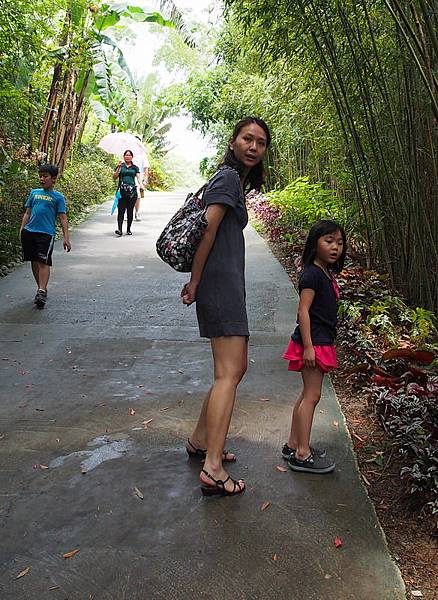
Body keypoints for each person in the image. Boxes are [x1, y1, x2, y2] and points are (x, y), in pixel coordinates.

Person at [181, 116, 271, 497]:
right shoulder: (227, 179)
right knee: (229, 373)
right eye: (247, 138)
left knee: (233, 369)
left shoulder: (236, 181)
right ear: (233, 141)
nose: (253, 146)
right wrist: (197, 282)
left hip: (227, 282)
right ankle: (213, 467)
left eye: (261, 142)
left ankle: (201, 441)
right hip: (219, 284)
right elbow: (207, 230)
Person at [281, 220, 347, 474]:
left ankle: (293, 444)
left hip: (320, 340)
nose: (335, 247)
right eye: (328, 241)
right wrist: (308, 347)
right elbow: (303, 310)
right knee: (312, 396)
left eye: (339, 243)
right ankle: (302, 454)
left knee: (307, 394)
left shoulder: (324, 272)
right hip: (314, 342)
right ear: (315, 243)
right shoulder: (311, 274)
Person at [19, 163, 71, 309]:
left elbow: (63, 218)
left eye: (45, 176)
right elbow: (28, 212)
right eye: (40, 176)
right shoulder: (34, 193)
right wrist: (22, 229)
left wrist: (66, 237)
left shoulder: (58, 197)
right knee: (34, 262)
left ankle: (42, 290)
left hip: (46, 234)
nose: (42, 179)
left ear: (53, 179)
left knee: (43, 262)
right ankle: (41, 289)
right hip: (30, 231)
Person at [112, 150, 143, 236]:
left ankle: (128, 229)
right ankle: (120, 229)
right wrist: (118, 169)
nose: (127, 157)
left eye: (129, 155)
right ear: (123, 156)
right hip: (121, 191)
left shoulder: (135, 167)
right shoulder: (120, 166)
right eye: (126, 155)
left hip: (132, 192)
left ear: (132, 157)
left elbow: (138, 177)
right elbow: (114, 177)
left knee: (130, 211)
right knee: (121, 211)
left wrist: (141, 185)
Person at [133, 150, 149, 221]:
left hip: (139, 179)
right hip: (128, 177)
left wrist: (145, 180)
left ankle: (137, 212)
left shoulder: (142, 154)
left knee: (137, 196)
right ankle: (127, 213)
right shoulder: (128, 153)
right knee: (126, 195)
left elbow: (146, 169)